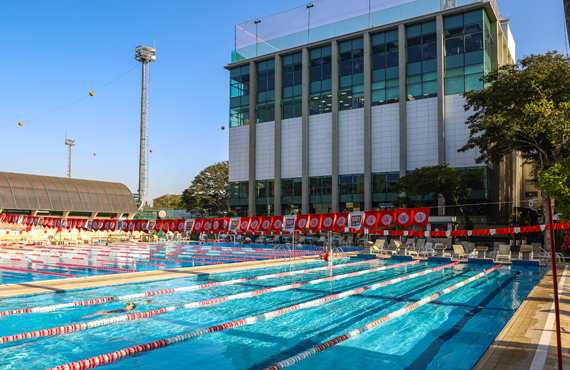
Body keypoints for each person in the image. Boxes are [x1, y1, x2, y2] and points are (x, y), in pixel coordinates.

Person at [82, 300, 151, 318]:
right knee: (100, 311)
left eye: (129, 304)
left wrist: (144, 303)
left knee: (100, 313)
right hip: (114, 311)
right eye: (128, 303)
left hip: (115, 313)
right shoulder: (125, 309)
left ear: (132, 307)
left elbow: (138, 306)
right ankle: (89, 316)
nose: (127, 304)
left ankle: (87, 316)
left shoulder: (130, 310)